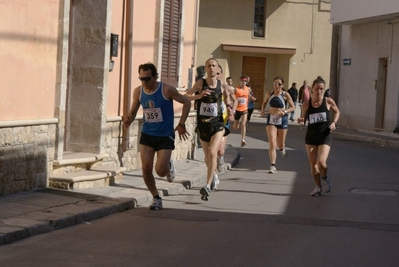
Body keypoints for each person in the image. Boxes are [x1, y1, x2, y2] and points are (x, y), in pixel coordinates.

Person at [123, 62, 191, 210]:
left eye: (147, 79)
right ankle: (156, 198)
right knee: (146, 168)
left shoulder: (166, 89)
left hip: (165, 135)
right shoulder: (139, 91)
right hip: (147, 134)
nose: (144, 82)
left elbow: (186, 102)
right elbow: (134, 111)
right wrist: (128, 119)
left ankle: (168, 165)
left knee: (160, 171)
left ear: (155, 77)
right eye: (141, 79)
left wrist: (181, 124)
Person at [185, 58, 236, 200]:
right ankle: (213, 176)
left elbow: (229, 99)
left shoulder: (222, 85)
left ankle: (207, 186)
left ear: (217, 69)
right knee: (207, 157)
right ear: (206, 69)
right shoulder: (201, 83)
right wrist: (199, 96)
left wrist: (230, 109)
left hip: (217, 124)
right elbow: (186, 96)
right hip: (203, 124)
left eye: (214, 66)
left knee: (213, 152)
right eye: (209, 66)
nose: (211, 68)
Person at [297, 76, 340, 197]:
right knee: (313, 165)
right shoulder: (306, 104)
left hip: (324, 136)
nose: (319, 91)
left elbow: (337, 112)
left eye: (321, 89)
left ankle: (325, 178)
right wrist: (300, 120)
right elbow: (303, 120)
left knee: (322, 163)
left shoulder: (328, 101)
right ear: (312, 89)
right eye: (317, 88)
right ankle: (317, 187)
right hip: (311, 137)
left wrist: (334, 123)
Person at [260, 76, 295, 174]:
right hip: (271, 119)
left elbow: (293, 107)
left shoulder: (285, 94)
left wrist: (284, 112)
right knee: (272, 143)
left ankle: (282, 148)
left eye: (279, 84)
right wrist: (263, 110)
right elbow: (264, 102)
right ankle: (273, 165)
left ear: (282, 85)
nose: (276, 86)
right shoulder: (269, 93)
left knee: (280, 144)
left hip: (282, 119)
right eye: (275, 83)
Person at [233, 76, 250, 147]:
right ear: (240, 82)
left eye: (245, 81)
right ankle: (236, 123)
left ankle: (243, 140)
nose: (243, 82)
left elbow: (247, 96)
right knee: (235, 127)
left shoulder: (248, 89)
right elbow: (233, 98)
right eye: (242, 81)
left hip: (244, 109)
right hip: (237, 109)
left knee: (243, 124)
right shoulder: (236, 89)